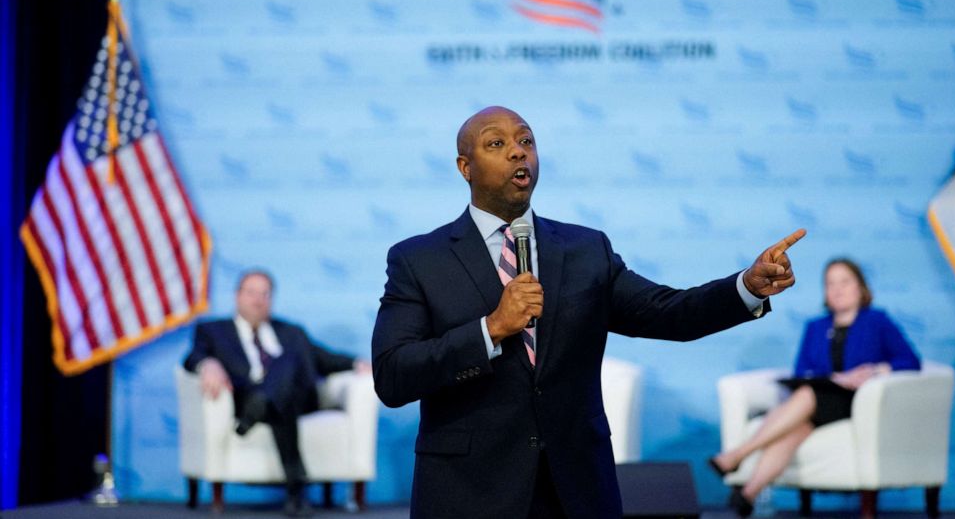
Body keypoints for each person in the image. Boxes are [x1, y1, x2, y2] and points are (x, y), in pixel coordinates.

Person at [371, 105, 806, 519]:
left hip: (575, 489)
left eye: (526, 140)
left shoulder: (585, 250)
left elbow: (669, 312)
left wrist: (745, 287)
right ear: (465, 168)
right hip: (469, 492)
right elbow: (393, 374)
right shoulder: (419, 260)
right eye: (497, 144)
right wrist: (490, 330)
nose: (519, 150)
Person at [708, 258, 921, 517]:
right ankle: (749, 494)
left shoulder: (877, 321)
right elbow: (801, 371)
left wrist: (874, 370)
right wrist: (832, 377)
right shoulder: (816, 327)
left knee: (807, 395)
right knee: (797, 425)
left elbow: (910, 360)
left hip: (858, 401)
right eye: (830, 284)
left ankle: (738, 454)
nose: (837, 289)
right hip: (821, 398)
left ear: (860, 287)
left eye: (844, 282)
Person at [183, 269, 369, 517]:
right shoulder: (213, 331)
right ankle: (295, 490)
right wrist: (208, 364)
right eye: (251, 292)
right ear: (237, 296)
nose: (258, 299)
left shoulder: (291, 332)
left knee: (287, 360)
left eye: (264, 294)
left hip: (301, 398)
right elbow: (192, 357)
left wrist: (358, 363)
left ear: (271, 299)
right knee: (282, 401)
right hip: (247, 397)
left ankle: (260, 407)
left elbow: (323, 359)